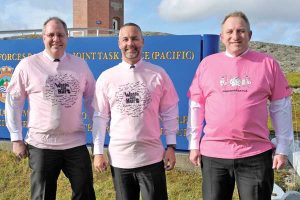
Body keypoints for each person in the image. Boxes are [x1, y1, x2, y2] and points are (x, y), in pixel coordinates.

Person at [186, 11, 294, 200]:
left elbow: (281, 107)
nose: (235, 36)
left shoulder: (268, 64)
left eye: (241, 31)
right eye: (230, 31)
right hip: (214, 154)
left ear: (250, 35)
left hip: (255, 154)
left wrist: (283, 148)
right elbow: (196, 106)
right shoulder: (207, 65)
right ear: (222, 37)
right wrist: (194, 144)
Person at [5, 17, 96, 200]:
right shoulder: (28, 65)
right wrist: (16, 138)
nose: (56, 39)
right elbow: (13, 102)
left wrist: (98, 137)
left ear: (67, 37)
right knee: (42, 196)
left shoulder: (80, 65)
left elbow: (93, 101)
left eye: (60, 35)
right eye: (51, 35)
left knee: (85, 193)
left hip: (75, 144)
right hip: (41, 145)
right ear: (43, 37)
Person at [92, 22, 179, 200]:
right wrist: (98, 152)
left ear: (142, 42)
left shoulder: (158, 74)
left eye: (134, 39)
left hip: (152, 159)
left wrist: (171, 146)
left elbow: (170, 111)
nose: (130, 44)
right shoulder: (107, 77)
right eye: (125, 39)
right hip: (120, 160)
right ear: (119, 43)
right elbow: (100, 117)